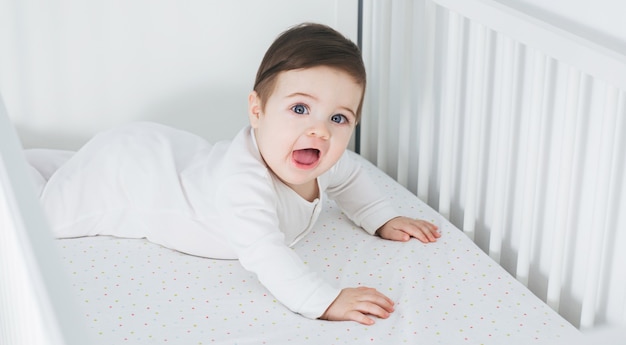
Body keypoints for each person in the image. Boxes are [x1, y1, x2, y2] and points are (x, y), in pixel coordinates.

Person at [27, 23, 440, 326]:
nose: (320, 130)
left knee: (72, 168)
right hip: (134, 178)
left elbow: (352, 178)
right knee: (41, 213)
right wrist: (325, 299)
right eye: (299, 109)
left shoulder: (323, 160)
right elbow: (265, 252)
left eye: (339, 118)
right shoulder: (245, 185)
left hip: (169, 157)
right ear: (257, 111)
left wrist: (382, 217)